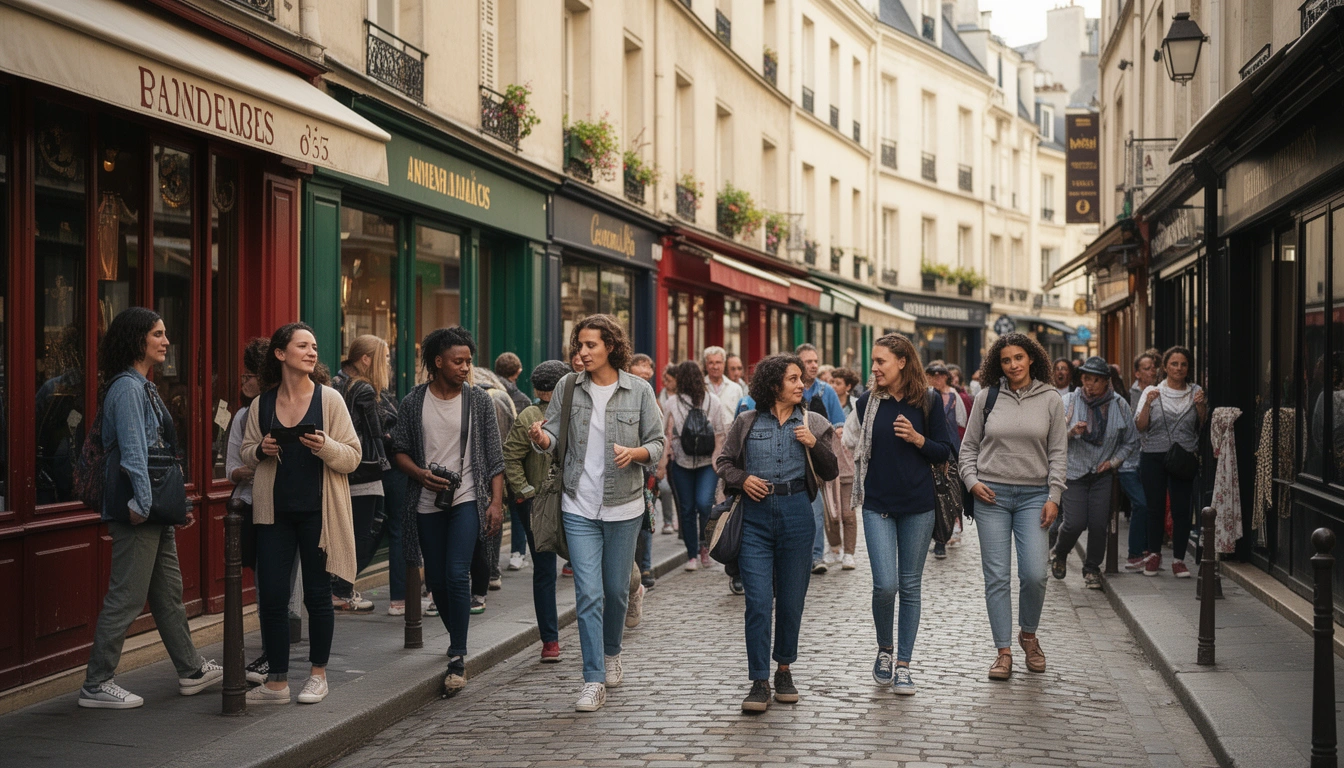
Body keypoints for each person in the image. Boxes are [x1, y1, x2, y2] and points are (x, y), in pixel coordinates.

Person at [78, 308, 224, 709]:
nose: (165, 341)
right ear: (137, 340)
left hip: (154, 509)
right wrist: (144, 503)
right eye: (158, 335)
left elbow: (159, 454)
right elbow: (134, 453)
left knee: (168, 593)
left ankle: (191, 670)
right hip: (137, 509)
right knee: (126, 596)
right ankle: (96, 682)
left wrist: (172, 507)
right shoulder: (127, 388)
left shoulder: (143, 386)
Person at [528, 315, 664, 712]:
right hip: (577, 504)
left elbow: (656, 443)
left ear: (610, 347)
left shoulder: (638, 390)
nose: (582, 353)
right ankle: (592, 679)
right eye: (579, 345)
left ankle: (611, 653)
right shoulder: (568, 388)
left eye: (591, 345)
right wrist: (541, 437)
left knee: (617, 592)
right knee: (588, 594)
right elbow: (552, 436)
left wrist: (635, 453)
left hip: (624, 506)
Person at [241, 322, 362, 706]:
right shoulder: (262, 403)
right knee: (273, 598)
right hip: (273, 513)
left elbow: (353, 456)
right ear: (280, 354)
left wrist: (326, 446)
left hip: (319, 513)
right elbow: (245, 451)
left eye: (314, 346)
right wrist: (261, 449)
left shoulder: (330, 400)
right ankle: (277, 682)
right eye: (302, 346)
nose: (312, 352)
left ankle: (317, 675)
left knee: (317, 596)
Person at [715, 355, 838, 712]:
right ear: (774, 386)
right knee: (756, 602)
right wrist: (743, 479)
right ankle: (759, 681)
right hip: (754, 519)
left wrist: (814, 443)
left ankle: (784, 669)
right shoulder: (747, 421)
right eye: (793, 379)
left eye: (802, 378)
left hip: (798, 515)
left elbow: (830, 471)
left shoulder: (812, 420)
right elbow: (724, 463)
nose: (802, 385)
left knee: (790, 600)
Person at [392, 327, 505, 695]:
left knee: (457, 574)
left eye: (468, 361)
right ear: (438, 362)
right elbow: (400, 452)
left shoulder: (479, 401)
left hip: (468, 497)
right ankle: (455, 634)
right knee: (436, 579)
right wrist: (420, 475)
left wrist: (496, 502)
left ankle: (458, 653)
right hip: (426, 502)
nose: (465, 368)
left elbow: (494, 457)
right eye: (458, 361)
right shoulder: (412, 403)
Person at [842, 334, 953, 695]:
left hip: (918, 507)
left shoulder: (929, 401)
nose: (873, 368)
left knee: (909, 586)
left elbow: (944, 451)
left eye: (881, 362)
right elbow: (849, 442)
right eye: (873, 362)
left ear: (903, 362)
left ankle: (903, 663)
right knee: (884, 584)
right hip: (877, 506)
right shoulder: (865, 403)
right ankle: (884, 649)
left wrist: (918, 439)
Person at [959, 332, 1066, 681]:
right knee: (997, 577)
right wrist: (972, 482)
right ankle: (1003, 651)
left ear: (1031, 358)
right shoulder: (987, 397)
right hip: (992, 496)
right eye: (1006, 360)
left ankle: (1028, 636)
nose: (1013, 365)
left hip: (1035, 496)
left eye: (1018, 358)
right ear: (998, 364)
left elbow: (1059, 454)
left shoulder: (1051, 398)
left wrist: (1054, 496)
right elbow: (968, 449)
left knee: (1035, 573)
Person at [226, 338, 299, 683]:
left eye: (249, 375)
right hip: (253, 507)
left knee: (280, 587)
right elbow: (232, 469)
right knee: (267, 587)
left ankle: (275, 657)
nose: (244, 382)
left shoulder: (295, 405)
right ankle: (270, 656)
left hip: (289, 508)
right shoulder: (245, 414)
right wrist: (260, 461)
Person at [1048, 356, 1138, 589]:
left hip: (1101, 473)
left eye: (1096, 380)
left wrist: (1113, 462)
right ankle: (1060, 552)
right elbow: (1053, 438)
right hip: (1073, 472)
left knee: (1099, 525)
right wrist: (1070, 432)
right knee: (1075, 522)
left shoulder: (1119, 405)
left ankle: (1091, 569)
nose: (1090, 385)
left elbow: (1131, 441)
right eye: (1087, 379)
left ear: (1107, 382)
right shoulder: (1068, 401)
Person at [503, 360, 571, 663]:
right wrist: (525, 492)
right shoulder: (531, 415)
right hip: (542, 503)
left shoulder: (572, 413)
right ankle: (550, 639)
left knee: (548, 572)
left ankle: (552, 641)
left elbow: (510, 457)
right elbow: (512, 457)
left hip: (564, 501)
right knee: (550, 570)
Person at [329, 335, 393, 613]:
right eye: (385, 358)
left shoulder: (333, 383)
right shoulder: (365, 389)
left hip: (339, 468)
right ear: (366, 359)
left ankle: (337, 589)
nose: (388, 364)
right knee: (367, 533)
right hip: (364, 473)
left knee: (344, 535)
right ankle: (341, 592)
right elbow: (376, 434)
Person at [1134, 346, 1207, 578]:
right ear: (1164, 367)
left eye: (1183, 364)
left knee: (1181, 509)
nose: (1178, 368)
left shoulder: (1196, 391)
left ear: (1188, 368)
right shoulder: (1152, 391)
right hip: (1153, 455)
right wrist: (1147, 403)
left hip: (1183, 457)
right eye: (1174, 364)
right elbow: (1140, 426)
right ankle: (1154, 555)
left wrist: (1201, 406)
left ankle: (1179, 560)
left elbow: (1202, 424)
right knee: (1154, 507)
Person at [658, 360, 730, 571]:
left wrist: (718, 462)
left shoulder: (712, 401)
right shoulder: (673, 402)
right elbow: (720, 434)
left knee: (700, 505)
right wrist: (663, 462)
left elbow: (718, 433)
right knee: (690, 508)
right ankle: (692, 553)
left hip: (706, 463)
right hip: (682, 462)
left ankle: (703, 546)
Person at [468, 367, 517, 614]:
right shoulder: (501, 396)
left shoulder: (477, 398)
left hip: (475, 468)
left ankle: (481, 573)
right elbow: (510, 435)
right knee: (494, 517)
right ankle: (492, 570)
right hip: (497, 467)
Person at [795, 343, 846, 575]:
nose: (814, 365)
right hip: (793, 460)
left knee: (816, 511)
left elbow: (839, 424)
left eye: (816, 361)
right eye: (808, 361)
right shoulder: (789, 389)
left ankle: (816, 557)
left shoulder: (826, 391)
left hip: (817, 462)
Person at [1119, 352, 1159, 571]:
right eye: (1146, 368)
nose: (1151, 371)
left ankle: (1146, 552)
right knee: (1141, 504)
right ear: (1137, 373)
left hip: (1149, 459)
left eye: (1153, 367)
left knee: (1148, 506)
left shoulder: (1159, 392)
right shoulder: (1131, 395)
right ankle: (1134, 554)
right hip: (1128, 461)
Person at [496, 352, 534, 573]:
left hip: (496, 462)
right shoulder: (523, 400)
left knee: (497, 509)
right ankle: (517, 554)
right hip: (517, 463)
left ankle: (493, 564)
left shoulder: (488, 392)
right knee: (519, 510)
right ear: (518, 372)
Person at [823, 367, 861, 568]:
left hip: (849, 467)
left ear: (848, 386)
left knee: (847, 512)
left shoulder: (856, 406)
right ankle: (834, 547)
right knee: (831, 513)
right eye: (832, 382)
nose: (833, 386)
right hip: (829, 466)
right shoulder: (825, 403)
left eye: (838, 383)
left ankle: (849, 553)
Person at [628, 353, 658, 588]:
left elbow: (657, 439)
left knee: (646, 519)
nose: (644, 374)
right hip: (625, 467)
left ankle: (645, 566)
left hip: (646, 471)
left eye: (648, 372)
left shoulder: (651, 398)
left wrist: (658, 469)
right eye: (640, 371)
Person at [703, 346, 744, 419]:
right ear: (706, 365)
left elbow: (741, 416)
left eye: (718, 362)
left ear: (724, 364)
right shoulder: (700, 387)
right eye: (711, 363)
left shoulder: (736, 389)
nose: (715, 367)